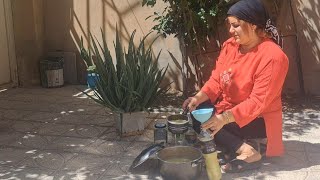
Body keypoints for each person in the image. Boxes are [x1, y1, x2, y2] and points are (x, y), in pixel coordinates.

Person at [182, 0, 289, 173]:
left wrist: (223, 119)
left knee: (208, 123)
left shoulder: (273, 57)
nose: (231, 31)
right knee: (195, 110)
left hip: (258, 118)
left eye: (236, 26)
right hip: (230, 110)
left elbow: (257, 102)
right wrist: (198, 97)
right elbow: (217, 79)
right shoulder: (230, 46)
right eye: (230, 25)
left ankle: (248, 151)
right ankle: (236, 143)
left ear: (253, 25)